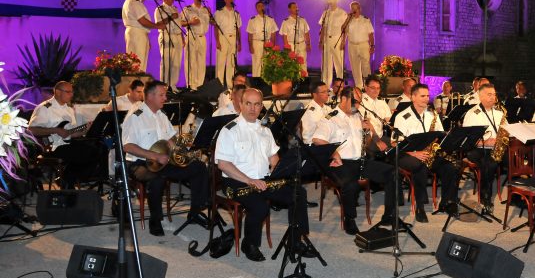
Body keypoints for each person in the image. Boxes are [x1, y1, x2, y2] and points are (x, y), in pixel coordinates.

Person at [215, 88, 312, 261]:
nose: (252, 108)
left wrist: (280, 173)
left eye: (257, 104)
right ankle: (249, 244)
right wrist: (249, 180)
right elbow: (223, 164)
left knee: (298, 192)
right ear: (240, 104)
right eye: (248, 104)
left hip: (263, 179)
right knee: (260, 206)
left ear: (261, 107)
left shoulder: (265, 131)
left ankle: (295, 241)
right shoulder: (229, 130)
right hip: (236, 181)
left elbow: (274, 159)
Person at [121, 80, 209, 236]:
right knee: (156, 179)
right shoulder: (135, 116)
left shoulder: (161, 115)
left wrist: (181, 142)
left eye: (164, 95)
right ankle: (155, 219)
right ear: (149, 96)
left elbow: (171, 138)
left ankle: (195, 212)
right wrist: (155, 155)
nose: (165, 98)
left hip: (163, 160)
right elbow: (127, 147)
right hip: (139, 163)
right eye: (161, 95)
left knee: (199, 167)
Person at [312, 86, 397, 234]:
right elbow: (317, 140)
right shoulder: (330, 118)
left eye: (359, 102)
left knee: (392, 172)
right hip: (340, 163)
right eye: (355, 102)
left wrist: (369, 130)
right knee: (350, 185)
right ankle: (349, 219)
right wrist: (334, 153)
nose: (357, 105)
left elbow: (366, 142)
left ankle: (389, 215)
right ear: (343, 99)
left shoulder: (358, 116)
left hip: (360, 160)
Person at [393, 83, 458, 222]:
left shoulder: (431, 115)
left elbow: (440, 135)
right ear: (413, 97)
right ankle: (420, 206)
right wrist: (414, 153)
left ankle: (446, 202)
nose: (426, 98)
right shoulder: (402, 117)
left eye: (428, 95)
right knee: (420, 166)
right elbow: (395, 143)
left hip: (427, 153)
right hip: (407, 154)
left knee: (451, 167)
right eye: (423, 96)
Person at [28, 81, 104, 188]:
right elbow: (31, 129)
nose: (71, 95)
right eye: (68, 92)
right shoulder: (45, 108)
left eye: (72, 92)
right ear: (57, 92)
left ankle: (68, 179)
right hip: (52, 148)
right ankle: (68, 179)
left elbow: (70, 133)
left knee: (97, 150)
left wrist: (84, 130)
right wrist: (55, 130)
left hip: (67, 145)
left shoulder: (69, 109)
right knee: (87, 152)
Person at [462, 83, 504, 213]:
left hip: (496, 148)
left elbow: (506, 131)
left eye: (494, 94)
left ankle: (518, 194)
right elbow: (467, 139)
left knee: (517, 160)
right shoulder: (472, 113)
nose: (493, 97)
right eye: (489, 94)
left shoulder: (499, 112)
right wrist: (485, 141)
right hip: (476, 149)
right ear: (480, 96)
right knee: (489, 164)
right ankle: (486, 197)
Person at [121, 0, 167, 71]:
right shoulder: (134, 2)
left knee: (137, 62)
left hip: (138, 33)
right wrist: (158, 26)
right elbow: (142, 21)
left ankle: (138, 83)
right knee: (138, 63)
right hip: (136, 34)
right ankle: (137, 84)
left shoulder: (133, 1)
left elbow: (141, 23)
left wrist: (146, 37)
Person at [180, 0, 211, 90]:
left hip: (202, 37)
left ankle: (200, 85)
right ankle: (191, 85)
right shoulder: (187, 9)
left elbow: (212, 23)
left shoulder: (206, 9)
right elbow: (180, 22)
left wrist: (211, 14)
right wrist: (190, 22)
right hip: (192, 36)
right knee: (191, 61)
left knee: (201, 62)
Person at [154, 0, 183, 90]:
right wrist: (170, 17)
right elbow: (158, 24)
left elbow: (179, 25)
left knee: (176, 64)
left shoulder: (175, 8)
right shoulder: (159, 9)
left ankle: (173, 85)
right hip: (166, 35)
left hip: (177, 37)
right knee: (166, 63)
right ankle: (164, 86)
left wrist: (182, 39)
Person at [343, 1, 374, 89]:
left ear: (359, 9)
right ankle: (359, 87)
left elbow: (371, 34)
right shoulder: (349, 20)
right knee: (354, 66)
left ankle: (368, 85)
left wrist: (372, 45)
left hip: (363, 44)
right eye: (352, 8)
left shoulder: (365, 19)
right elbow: (343, 29)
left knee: (366, 65)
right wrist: (347, 19)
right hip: (352, 45)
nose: (353, 10)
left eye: (355, 8)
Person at [318, 0, 347, 86]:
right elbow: (323, 27)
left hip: (337, 39)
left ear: (336, 0)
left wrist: (343, 41)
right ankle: (326, 85)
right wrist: (321, 41)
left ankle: (340, 85)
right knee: (326, 64)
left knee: (338, 63)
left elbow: (345, 29)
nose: (331, 1)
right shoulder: (325, 13)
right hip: (327, 39)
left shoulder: (342, 13)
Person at [214, 0, 242, 88]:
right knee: (221, 62)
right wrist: (217, 41)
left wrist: (239, 42)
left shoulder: (236, 13)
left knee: (231, 63)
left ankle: (230, 84)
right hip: (223, 37)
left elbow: (238, 29)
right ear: (225, 0)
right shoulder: (219, 12)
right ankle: (219, 84)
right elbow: (216, 28)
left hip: (233, 38)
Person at [360, 75, 392, 156]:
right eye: (373, 88)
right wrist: (378, 141)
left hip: (381, 135)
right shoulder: (361, 101)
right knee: (393, 152)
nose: (376, 90)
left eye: (378, 88)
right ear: (366, 87)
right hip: (368, 139)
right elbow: (367, 124)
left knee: (400, 145)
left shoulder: (381, 102)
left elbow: (388, 120)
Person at [246, 1, 278, 79]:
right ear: (256, 8)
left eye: (262, 6)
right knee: (257, 63)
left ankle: (266, 80)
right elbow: (250, 34)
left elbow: (273, 33)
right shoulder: (252, 20)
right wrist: (250, 46)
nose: (261, 7)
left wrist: (273, 45)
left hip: (268, 43)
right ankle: (256, 81)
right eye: (259, 6)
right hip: (256, 42)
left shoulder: (270, 19)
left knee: (267, 63)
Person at [280, 2, 311, 73]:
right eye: (294, 7)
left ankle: (304, 80)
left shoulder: (303, 20)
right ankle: (293, 80)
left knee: (303, 62)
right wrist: (287, 48)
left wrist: (308, 44)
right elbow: (285, 36)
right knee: (292, 63)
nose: (296, 9)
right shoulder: (286, 21)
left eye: (296, 7)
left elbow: (306, 33)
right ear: (289, 9)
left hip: (302, 44)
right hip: (291, 44)